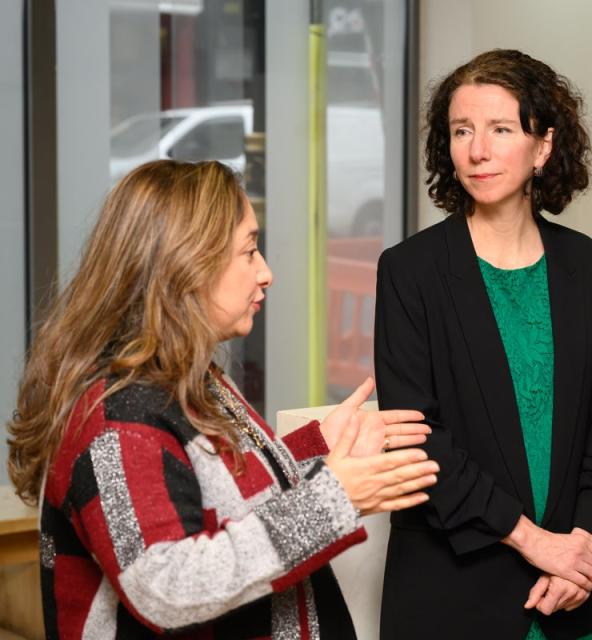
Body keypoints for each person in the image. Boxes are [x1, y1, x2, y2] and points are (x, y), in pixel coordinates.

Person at [6, 160, 439, 639]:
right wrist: (331, 501)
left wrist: (315, 448)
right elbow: (167, 586)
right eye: (249, 252)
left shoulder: (184, 378)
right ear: (186, 265)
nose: (266, 272)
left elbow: (210, 494)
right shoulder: (121, 415)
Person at [374, 49, 592, 640]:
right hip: (452, 597)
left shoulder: (587, 265)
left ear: (542, 146)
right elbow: (419, 442)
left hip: (564, 596)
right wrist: (536, 543)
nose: (477, 150)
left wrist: (583, 551)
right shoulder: (409, 271)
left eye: (500, 129)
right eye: (462, 131)